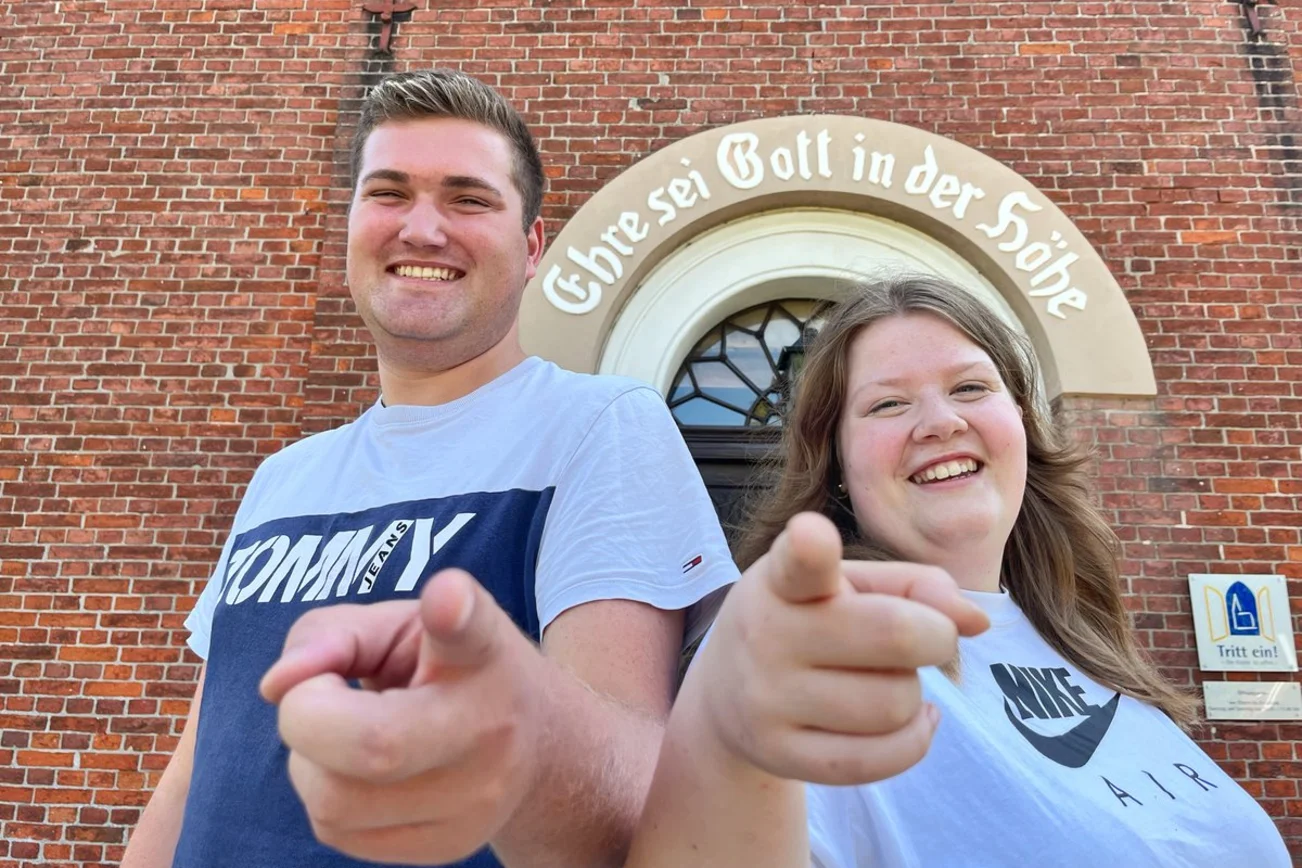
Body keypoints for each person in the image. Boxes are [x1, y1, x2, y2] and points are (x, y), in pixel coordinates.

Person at [120, 68, 738, 868]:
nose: (421, 229)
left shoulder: (596, 428)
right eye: (389, 193)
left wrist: (497, 707)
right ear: (352, 226)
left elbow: (630, 789)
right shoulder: (282, 479)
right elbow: (189, 774)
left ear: (531, 248)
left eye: (467, 199)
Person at [625, 275, 1292, 867]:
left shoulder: (1083, 640)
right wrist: (725, 729)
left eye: (970, 387)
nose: (940, 422)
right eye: (888, 404)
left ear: (1022, 422)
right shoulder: (810, 652)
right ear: (838, 464)